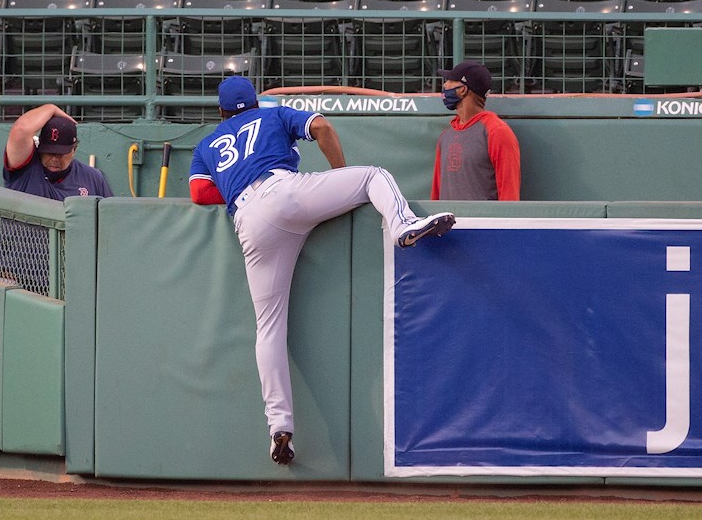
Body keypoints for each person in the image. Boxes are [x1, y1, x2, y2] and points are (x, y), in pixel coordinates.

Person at [189, 76, 455, 466]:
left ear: (221, 111)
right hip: (286, 192)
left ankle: (279, 429)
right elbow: (322, 126)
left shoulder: (206, 145)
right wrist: (337, 176)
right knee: (372, 175)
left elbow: (199, 193)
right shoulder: (274, 114)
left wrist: (235, 186)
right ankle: (403, 226)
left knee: (269, 328)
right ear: (255, 103)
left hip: (248, 219)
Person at [0, 104, 113, 291]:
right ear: (40, 147)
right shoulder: (24, 169)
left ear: (74, 149)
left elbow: (110, 226)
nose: (55, 159)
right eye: (49, 152)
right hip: (15, 276)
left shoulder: (92, 177)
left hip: (69, 278)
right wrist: (50, 108)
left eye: (62, 153)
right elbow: (21, 130)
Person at [432, 61, 521, 201]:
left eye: (450, 81)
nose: (445, 86)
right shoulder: (445, 136)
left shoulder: (497, 131)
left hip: (483, 223)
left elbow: (509, 195)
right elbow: (436, 195)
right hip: (450, 222)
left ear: (463, 90)